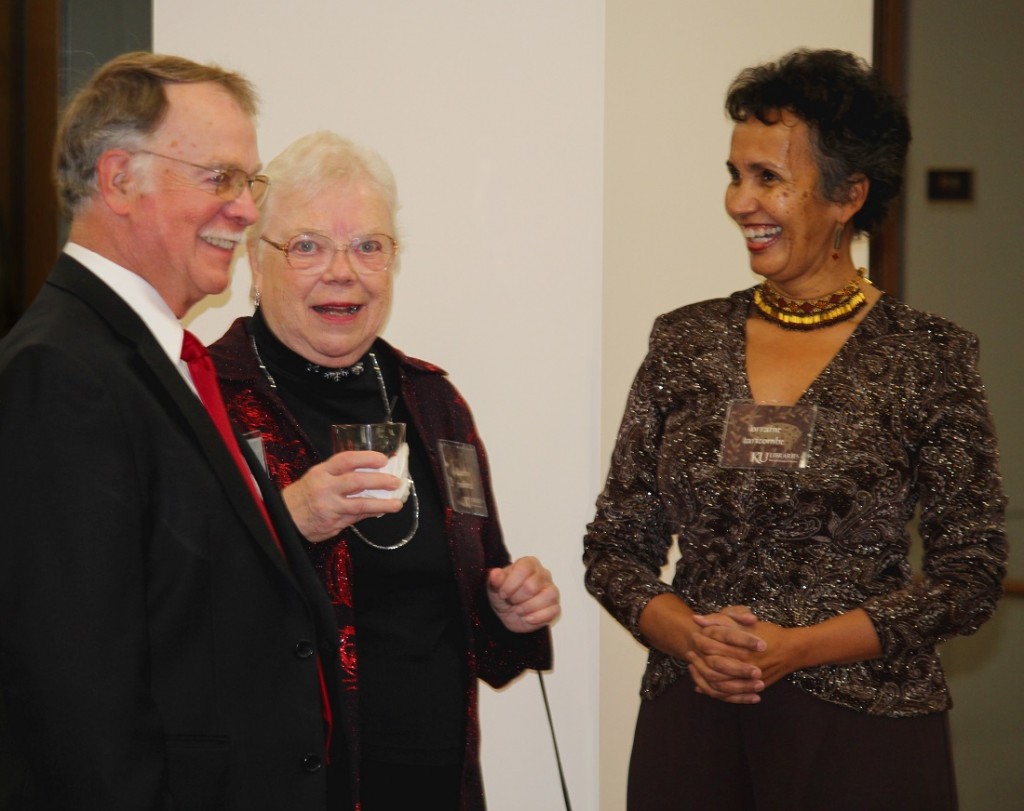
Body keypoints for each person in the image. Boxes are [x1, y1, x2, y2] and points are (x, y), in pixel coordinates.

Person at [583, 48, 1007, 811]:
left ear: (848, 194)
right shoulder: (684, 342)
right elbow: (614, 545)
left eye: (769, 179)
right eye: (734, 174)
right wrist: (688, 637)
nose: (740, 201)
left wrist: (799, 647)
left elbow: (969, 574)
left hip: (864, 734)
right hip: (695, 725)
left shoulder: (929, 356)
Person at [0, 53, 351, 810]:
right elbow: (76, 697)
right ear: (120, 178)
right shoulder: (59, 372)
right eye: (220, 178)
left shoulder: (164, 363)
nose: (248, 210)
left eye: (248, 183)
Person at [208, 130, 559, 811]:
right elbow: (165, 606)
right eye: (308, 245)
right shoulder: (208, 398)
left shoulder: (433, 401)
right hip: (282, 785)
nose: (344, 271)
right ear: (256, 260)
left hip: (434, 782)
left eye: (370, 245)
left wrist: (510, 609)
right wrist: (288, 521)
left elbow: (484, 635)